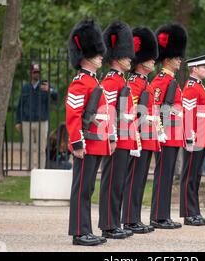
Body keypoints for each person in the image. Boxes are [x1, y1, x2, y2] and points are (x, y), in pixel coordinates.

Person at [66, 19, 114, 246]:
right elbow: (73, 115)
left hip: (96, 142)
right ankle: (79, 232)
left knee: (88, 188)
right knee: (82, 188)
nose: (101, 56)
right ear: (86, 55)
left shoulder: (94, 82)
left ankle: (86, 229)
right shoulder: (80, 83)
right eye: (97, 53)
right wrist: (77, 143)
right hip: (85, 143)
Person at [98, 21, 136, 239]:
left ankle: (114, 222)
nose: (130, 58)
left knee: (118, 183)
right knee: (112, 182)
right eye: (126, 55)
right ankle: (108, 225)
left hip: (125, 138)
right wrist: (111, 137)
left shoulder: (121, 80)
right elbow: (108, 112)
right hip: (115, 140)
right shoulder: (111, 82)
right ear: (116, 57)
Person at [121, 26, 159, 234]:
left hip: (148, 135)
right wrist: (136, 139)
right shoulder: (134, 83)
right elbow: (134, 113)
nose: (154, 61)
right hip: (138, 137)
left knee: (141, 179)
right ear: (141, 61)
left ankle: (134, 217)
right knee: (134, 178)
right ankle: (129, 219)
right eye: (150, 58)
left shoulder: (146, 83)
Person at [149, 23, 187, 229]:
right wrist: (160, 132)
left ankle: (163, 215)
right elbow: (154, 108)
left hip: (174, 135)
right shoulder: (161, 81)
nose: (180, 60)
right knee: (163, 176)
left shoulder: (171, 80)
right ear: (167, 58)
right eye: (176, 57)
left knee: (168, 177)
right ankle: (158, 216)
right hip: (165, 136)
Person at [180, 54, 205, 226]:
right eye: (204, 67)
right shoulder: (192, 87)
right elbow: (187, 114)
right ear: (195, 69)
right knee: (190, 176)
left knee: (196, 176)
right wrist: (189, 137)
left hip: (202, 135)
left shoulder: (199, 86)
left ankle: (195, 212)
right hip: (195, 136)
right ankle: (189, 214)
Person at [15, 63, 58, 169]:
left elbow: (56, 97)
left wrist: (50, 90)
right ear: (31, 73)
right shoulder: (25, 87)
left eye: (38, 72)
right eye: (34, 72)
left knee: (41, 149)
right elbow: (20, 105)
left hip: (42, 121)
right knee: (28, 149)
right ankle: (29, 170)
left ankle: (41, 171)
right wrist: (18, 121)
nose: (36, 74)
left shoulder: (45, 85)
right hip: (26, 121)